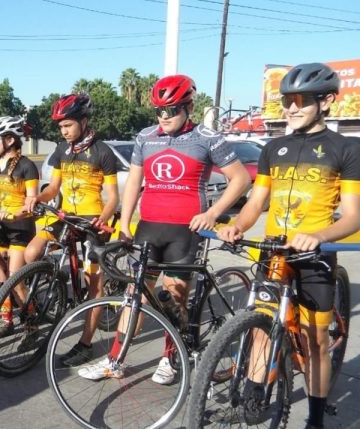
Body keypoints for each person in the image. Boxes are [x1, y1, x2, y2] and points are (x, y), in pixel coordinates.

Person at [75, 74, 250, 383]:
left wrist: (214, 212)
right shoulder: (146, 137)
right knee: (134, 295)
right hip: (148, 228)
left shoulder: (207, 137)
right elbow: (134, 183)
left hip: (186, 230)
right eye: (159, 111)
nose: (164, 117)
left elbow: (241, 179)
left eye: (172, 110)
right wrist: (125, 223)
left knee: (174, 297)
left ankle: (170, 358)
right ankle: (115, 359)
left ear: (189, 106)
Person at [216, 63, 360, 429]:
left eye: (301, 101)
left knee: (314, 342)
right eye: (286, 101)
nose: (291, 108)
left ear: (326, 101)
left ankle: (314, 416)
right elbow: (255, 201)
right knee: (262, 327)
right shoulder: (273, 148)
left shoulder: (345, 148)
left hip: (315, 256)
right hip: (274, 252)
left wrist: (320, 236)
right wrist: (237, 225)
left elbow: (353, 216)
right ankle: (250, 398)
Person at [23, 93, 120, 359]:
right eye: (61, 127)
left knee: (93, 284)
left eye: (68, 125)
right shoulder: (61, 150)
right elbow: (53, 187)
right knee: (31, 253)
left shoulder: (103, 152)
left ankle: (86, 344)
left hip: (92, 219)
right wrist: (36, 198)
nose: (64, 131)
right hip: (65, 215)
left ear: (84, 121)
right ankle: (53, 289)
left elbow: (113, 197)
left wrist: (104, 217)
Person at [0, 116, 39, 338]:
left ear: (9, 139)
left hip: (20, 228)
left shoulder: (27, 166)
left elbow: (33, 201)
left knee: (16, 280)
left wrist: (15, 213)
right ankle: (6, 320)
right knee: (2, 280)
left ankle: (31, 323)